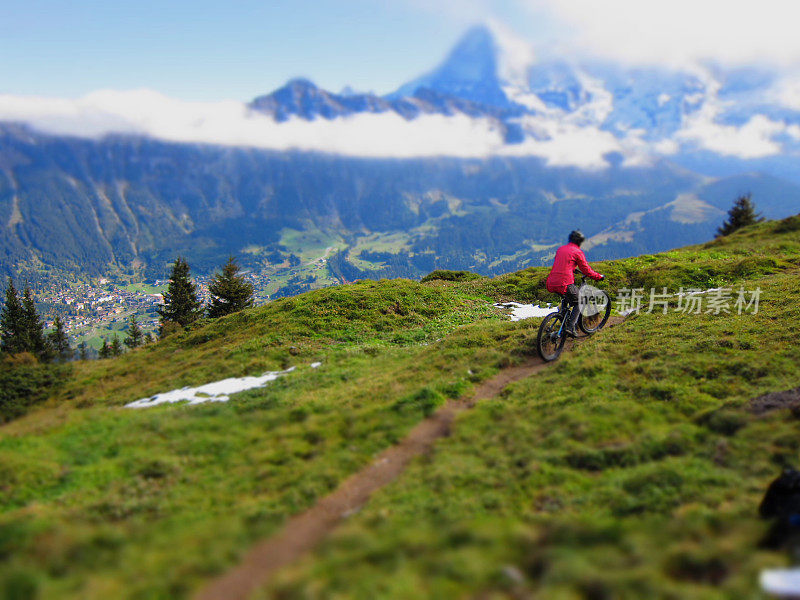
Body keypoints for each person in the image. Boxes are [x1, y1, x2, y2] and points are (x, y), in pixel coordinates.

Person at [545, 230, 604, 337]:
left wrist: (572, 268)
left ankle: (562, 318)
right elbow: (586, 270)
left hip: (551, 282)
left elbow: (562, 263)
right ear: (580, 242)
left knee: (567, 298)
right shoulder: (577, 252)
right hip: (564, 283)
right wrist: (598, 276)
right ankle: (571, 327)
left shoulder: (561, 249)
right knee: (580, 301)